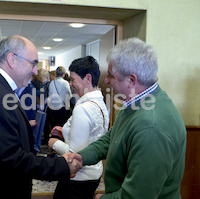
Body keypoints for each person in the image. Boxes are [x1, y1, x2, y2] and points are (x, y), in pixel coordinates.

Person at [0, 35, 82, 199]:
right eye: (32, 63)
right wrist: (61, 165)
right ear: (12, 59)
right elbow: (12, 159)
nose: (35, 71)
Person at [66, 38, 187, 199]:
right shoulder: (136, 102)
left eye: (110, 76)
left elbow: (137, 195)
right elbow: (113, 137)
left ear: (131, 80)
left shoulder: (151, 126)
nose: (106, 81)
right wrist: (82, 156)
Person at [48, 56, 109, 199]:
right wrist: (66, 132)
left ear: (87, 78)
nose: (70, 84)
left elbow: (74, 156)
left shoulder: (83, 108)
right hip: (94, 174)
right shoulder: (101, 103)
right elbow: (94, 135)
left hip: (77, 178)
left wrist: (55, 143)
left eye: (73, 79)